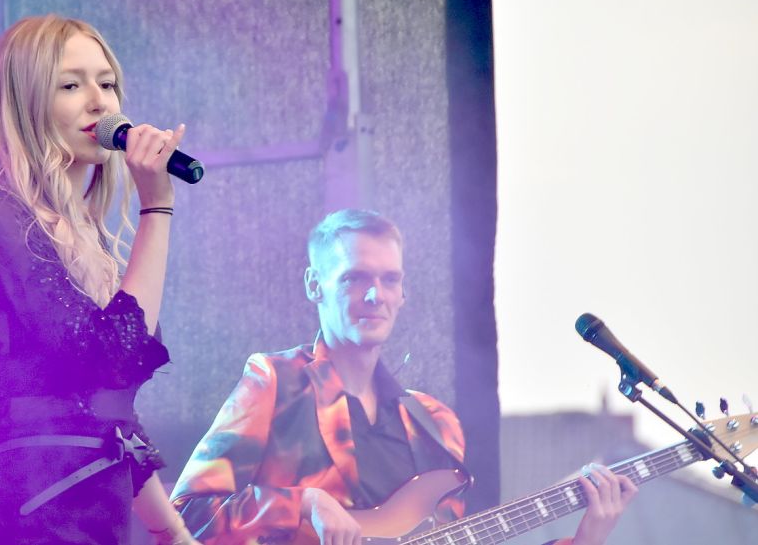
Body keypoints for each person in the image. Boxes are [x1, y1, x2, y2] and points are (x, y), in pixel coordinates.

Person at [170, 209, 638, 545]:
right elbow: (185, 515)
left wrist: (585, 539)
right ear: (315, 285)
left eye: (390, 279)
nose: (376, 294)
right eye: (355, 278)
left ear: (403, 292)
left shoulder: (437, 423)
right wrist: (304, 504)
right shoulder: (276, 381)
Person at [0, 14, 195, 544]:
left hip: (95, 518)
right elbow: (110, 358)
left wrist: (173, 532)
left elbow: (110, 414)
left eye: (107, 84)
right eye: (71, 84)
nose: (99, 101)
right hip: (37, 516)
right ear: (25, 105)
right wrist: (157, 208)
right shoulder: (1, 218)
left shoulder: (89, 241)